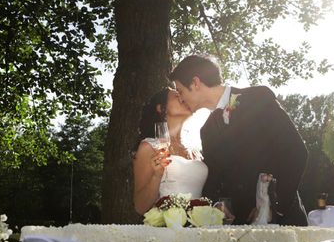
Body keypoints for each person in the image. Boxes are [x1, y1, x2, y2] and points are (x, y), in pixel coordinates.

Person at [169, 54, 308, 226]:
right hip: (241, 230)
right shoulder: (207, 130)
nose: (181, 98)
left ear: (196, 83)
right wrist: (218, 204)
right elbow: (216, 178)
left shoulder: (258, 98)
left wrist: (275, 206)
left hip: (285, 220)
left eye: (181, 91)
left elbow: (296, 151)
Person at [132, 87, 208, 215]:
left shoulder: (194, 150)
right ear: (161, 108)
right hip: (167, 229)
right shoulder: (149, 147)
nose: (183, 98)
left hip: (200, 228)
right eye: (177, 96)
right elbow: (140, 207)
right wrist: (157, 176)